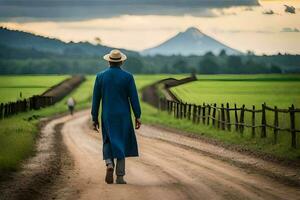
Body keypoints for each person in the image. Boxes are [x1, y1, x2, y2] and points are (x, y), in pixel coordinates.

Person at [91, 49, 142, 184]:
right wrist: (138, 115)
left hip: (107, 114)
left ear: (108, 61)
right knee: (121, 142)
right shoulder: (128, 77)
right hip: (123, 115)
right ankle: (120, 176)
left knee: (108, 140)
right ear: (121, 61)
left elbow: (96, 99)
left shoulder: (100, 76)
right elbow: (134, 99)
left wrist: (94, 117)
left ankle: (109, 163)